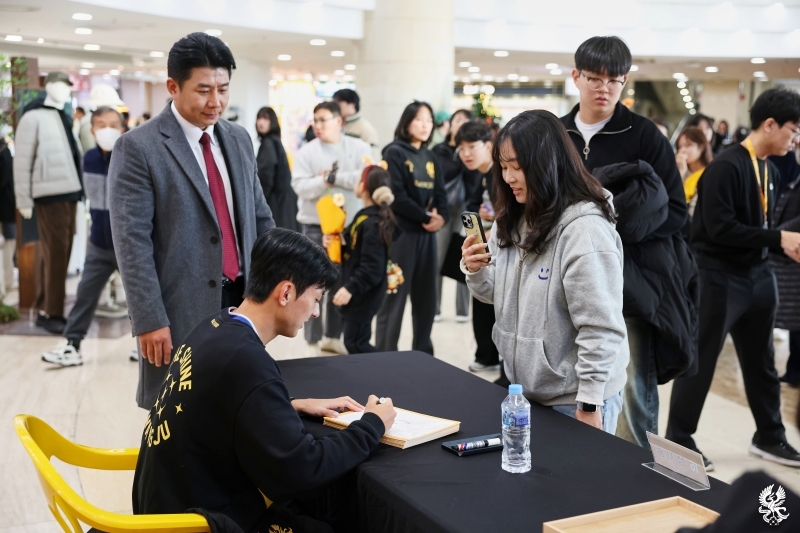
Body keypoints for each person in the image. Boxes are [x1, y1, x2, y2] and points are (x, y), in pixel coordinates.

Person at [133, 228, 397, 533]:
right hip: (197, 522)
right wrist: (371, 425)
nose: (315, 312)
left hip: (163, 506)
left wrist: (288, 405)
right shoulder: (248, 361)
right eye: (315, 299)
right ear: (286, 293)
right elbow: (302, 471)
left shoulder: (216, 325)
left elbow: (218, 405)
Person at [109, 32, 275, 409]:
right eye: (203, 90)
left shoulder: (239, 139)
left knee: (243, 404)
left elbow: (260, 217)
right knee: (181, 413)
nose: (215, 102)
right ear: (173, 87)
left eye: (223, 89)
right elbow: (132, 243)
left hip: (244, 301)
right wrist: (149, 319)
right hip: (180, 307)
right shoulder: (139, 147)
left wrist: (282, 284)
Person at [561, 36, 696, 449]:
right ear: (576, 76)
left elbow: (676, 210)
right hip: (570, 277)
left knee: (634, 385)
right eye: (594, 78)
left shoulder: (644, 136)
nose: (604, 88)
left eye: (614, 81)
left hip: (633, 280)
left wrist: (620, 232)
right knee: (573, 379)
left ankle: (637, 472)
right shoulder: (557, 134)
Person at [462, 109, 629, 434]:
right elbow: (493, 294)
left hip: (576, 399)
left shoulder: (584, 231)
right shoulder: (512, 217)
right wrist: (476, 270)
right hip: (525, 391)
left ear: (545, 163)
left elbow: (600, 327)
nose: (508, 178)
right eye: (503, 167)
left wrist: (590, 402)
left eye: (517, 167)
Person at [666, 86, 800, 470]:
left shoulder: (768, 169)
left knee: (762, 362)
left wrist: (780, 245)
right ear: (770, 124)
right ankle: (679, 439)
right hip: (719, 278)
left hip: (758, 276)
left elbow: (757, 227)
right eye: (793, 130)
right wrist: (779, 239)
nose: (795, 139)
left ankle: (769, 435)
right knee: (701, 359)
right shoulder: (726, 166)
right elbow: (718, 228)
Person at [38, 107, 128, 366]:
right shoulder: (88, 158)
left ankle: (145, 349)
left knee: (142, 300)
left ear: (122, 128)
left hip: (128, 243)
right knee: (85, 293)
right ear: (92, 129)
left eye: (113, 124)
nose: (107, 129)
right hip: (99, 242)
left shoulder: (131, 156)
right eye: (101, 124)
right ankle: (72, 344)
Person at [291, 101, 372, 355]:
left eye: (323, 119)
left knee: (340, 282)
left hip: (349, 227)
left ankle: (333, 336)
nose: (318, 125)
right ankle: (312, 340)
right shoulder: (307, 152)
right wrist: (323, 181)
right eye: (315, 120)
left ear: (339, 121)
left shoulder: (359, 147)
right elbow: (300, 186)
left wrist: (332, 178)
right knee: (312, 284)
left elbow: (367, 177)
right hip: (315, 226)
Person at [14, 71, 84, 334]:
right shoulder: (33, 117)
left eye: (67, 87)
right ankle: (51, 313)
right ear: (48, 86)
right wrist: (23, 198)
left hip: (69, 192)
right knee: (55, 254)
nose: (65, 91)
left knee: (59, 253)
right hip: (49, 194)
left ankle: (47, 307)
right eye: (60, 85)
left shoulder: (62, 116)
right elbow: (22, 162)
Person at [376, 101, 447, 355]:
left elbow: (440, 193)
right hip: (401, 235)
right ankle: (385, 355)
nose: (425, 125)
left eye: (429, 120)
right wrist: (425, 216)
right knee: (394, 298)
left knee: (426, 299)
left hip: (427, 236)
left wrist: (441, 218)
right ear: (406, 123)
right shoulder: (394, 152)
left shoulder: (431, 156)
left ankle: (423, 355)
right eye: (419, 119)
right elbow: (396, 195)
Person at [331, 166, 398, 354]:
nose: (356, 183)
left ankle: (386, 368)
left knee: (356, 343)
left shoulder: (372, 223)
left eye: (359, 179)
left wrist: (350, 288)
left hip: (364, 293)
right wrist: (335, 243)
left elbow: (372, 267)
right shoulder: (364, 216)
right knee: (355, 341)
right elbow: (353, 249)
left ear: (365, 187)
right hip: (361, 291)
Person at [457, 121, 500, 372]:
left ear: (488, 146)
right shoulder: (482, 174)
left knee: (490, 302)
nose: (466, 154)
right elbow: (472, 205)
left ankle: (491, 357)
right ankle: (486, 356)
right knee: (481, 298)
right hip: (485, 244)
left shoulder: (499, 173)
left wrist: (494, 223)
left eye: (472, 147)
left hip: (498, 247)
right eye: (461, 149)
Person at [432, 109, 473, 323]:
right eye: (458, 120)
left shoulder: (472, 149)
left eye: (466, 121)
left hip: (468, 207)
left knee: (466, 255)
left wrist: (464, 150)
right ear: (449, 124)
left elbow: (474, 177)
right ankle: (435, 308)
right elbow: (439, 176)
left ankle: (462, 310)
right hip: (443, 207)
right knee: (438, 257)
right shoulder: (439, 150)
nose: (461, 124)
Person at [770, 147, 800, 387]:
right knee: (795, 323)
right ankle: (793, 370)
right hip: (788, 255)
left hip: (793, 252)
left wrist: (775, 235)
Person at [256, 106, 298, 231]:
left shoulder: (268, 143)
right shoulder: (275, 141)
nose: (261, 122)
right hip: (285, 202)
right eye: (259, 118)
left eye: (266, 118)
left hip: (277, 203)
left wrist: (260, 199)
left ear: (272, 122)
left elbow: (266, 173)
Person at [676, 126, 713, 218]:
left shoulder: (709, 174)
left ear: (702, 147)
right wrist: (680, 172)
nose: (682, 150)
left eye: (688, 145)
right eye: (680, 146)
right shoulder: (681, 170)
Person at [332, 88, 380, 159]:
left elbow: (373, 158)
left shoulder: (365, 129)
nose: (336, 107)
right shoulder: (335, 125)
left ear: (352, 104)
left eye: (339, 103)